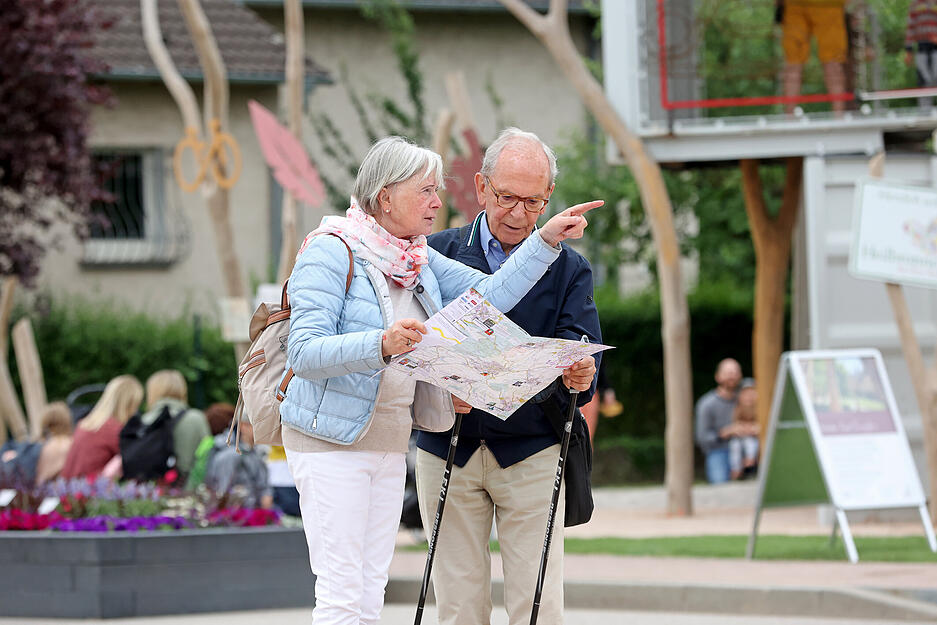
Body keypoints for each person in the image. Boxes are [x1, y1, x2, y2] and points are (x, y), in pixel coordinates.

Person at [281, 135, 599, 625]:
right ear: (386, 196)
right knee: (344, 594)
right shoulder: (332, 250)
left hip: (388, 442)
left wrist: (546, 240)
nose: (437, 202)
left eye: (533, 201)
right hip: (335, 441)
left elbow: (492, 295)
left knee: (369, 590)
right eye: (426, 190)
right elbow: (302, 352)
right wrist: (382, 344)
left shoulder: (417, 260)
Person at [415, 127, 602, 625]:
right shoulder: (435, 253)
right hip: (446, 446)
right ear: (480, 187)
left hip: (532, 449)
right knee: (457, 607)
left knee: (538, 607)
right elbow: (407, 348)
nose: (518, 214)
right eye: (506, 198)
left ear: (549, 199)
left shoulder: (570, 269)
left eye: (533, 202)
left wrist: (582, 370)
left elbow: (583, 347)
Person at [61, 375, 143, 480]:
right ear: (130, 404)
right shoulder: (115, 430)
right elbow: (135, 462)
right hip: (94, 491)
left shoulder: (85, 424)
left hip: (69, 490)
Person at [139, 370, 211, 482]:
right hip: (189, 491)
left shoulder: (142, 422)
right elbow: (207, 456)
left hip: (151, 493)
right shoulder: (196, 418)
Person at [779, 0, 848, 114]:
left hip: (827, 5)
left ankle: (839, 117)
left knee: (833, 62)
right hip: (796, 6)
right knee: (793, 63)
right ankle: (789, 117)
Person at [204, 412, 273, 509]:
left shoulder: (258, 451)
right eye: (259, 425)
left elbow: (263, 486)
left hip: (252, 514)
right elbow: (221, 492)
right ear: (243, 426)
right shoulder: (231, 454)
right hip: (235, 517)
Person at [695, 358, 743, 484]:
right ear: (718, 377)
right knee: (720, 483)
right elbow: (702, 437)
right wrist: (725, 433)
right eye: (728, 373)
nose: (732, 376)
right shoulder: (707, 404)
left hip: (746, 446)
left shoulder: (746, 399)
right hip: (719, 449)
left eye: (735, 372)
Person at [725, 378, 760, 480]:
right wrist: (741, 428)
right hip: (740, 436)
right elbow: (735, 423)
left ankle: (749, 461)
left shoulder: (758, 408)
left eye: (751, 394)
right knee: (734, 446)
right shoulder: (738, 408)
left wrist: (753, 428)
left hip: (752, 437)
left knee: (751, 444)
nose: (749, 397)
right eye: (746, 394)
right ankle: (736, 469)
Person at [905, 0, 937, 108]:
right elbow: (910, 27)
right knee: (924, 79)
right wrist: (909, 50)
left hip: (935, 48)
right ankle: (924, 111)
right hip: (921, 48)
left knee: (935, 76)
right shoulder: (915, 5)